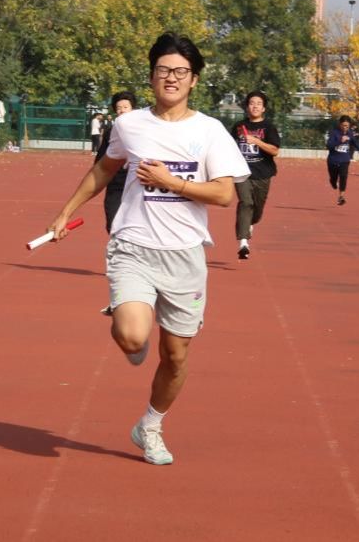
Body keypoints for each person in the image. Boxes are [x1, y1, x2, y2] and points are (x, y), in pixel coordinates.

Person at [47, 33, 249, 466]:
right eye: (163, 70)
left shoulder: (210, 131)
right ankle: (130, 323)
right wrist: (65, 212)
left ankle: (150, 426)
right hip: (133, 245)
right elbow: (104, 169)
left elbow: (223, 194)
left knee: (175, 356)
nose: (171, 78)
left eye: (180, 72)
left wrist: (171, 182)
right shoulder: (129, 125)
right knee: (133, 336)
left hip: (185, 255)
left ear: (194, 79)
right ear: (152, 76)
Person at [231, 90, 281, 260]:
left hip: (262, 173)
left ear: (264, 108)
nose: (255, 106)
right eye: (252, 103)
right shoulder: (239, 126)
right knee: (245, 203)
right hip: (242, 172)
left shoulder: (269, 127)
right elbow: (229, 147)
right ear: (247, 107)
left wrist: (257, 141)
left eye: (259, 104)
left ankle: (250, 223)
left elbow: (274, 151)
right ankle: (243, 243)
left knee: (257, 211)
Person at [95, 91, 136, 233]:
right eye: (119, 108)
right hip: (116, 186)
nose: (122, 110)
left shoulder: (143, 131)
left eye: (125, 107)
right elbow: (100, 163)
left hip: (137, 185)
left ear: (133, 109)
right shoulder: (110, 132)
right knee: (113, 225)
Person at [325, 115, 359, 204]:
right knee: (333, 178)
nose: (345, 127)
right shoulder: (334, 133)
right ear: (340, 124)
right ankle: (333, 182)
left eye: (347, 126)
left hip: (344, 159)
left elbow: (354, 141)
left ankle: (341, 196)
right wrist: (340, 141)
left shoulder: (350, 133)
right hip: (333, 160)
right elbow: (329, 146)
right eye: (344, 125)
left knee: (343, 177)